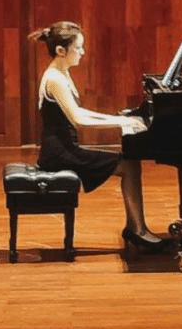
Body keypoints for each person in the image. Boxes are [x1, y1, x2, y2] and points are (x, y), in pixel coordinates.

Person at [28, 20, 168, 253]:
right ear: (61, 51)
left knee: (130, 164)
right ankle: (138, 231)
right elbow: (78, 119)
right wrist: (120, 122)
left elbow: (79, 111)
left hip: (64, 149)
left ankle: (136, 228)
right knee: (128, 166)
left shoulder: (61, 72)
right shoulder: (55, 79)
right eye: (78, 48)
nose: (82, 52)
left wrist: (118, 119)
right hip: (59, 154)